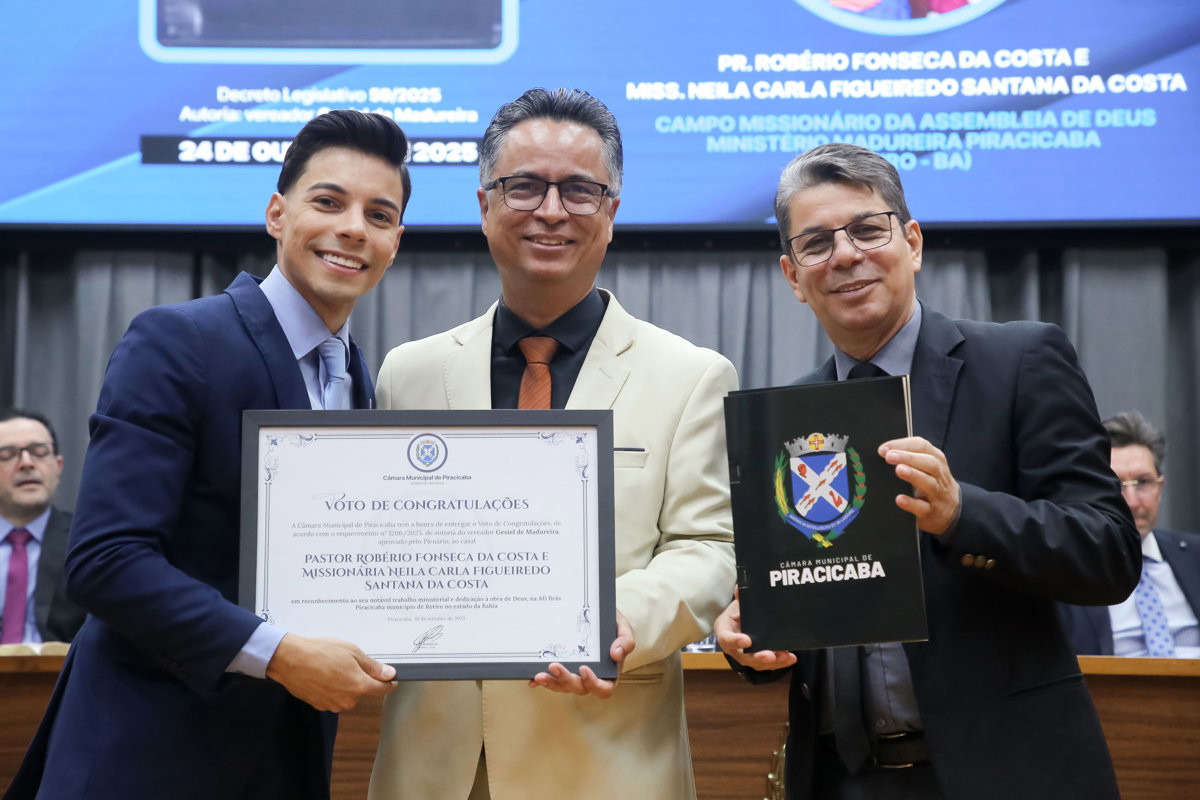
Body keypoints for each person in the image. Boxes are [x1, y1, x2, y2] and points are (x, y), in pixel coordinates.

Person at [5, 109, 411, 800]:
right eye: (328, 202)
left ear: (395, 242)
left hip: (284, 760)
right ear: (276, 214)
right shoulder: (179, 340)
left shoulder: (358, 377)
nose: (353, 228)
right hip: (147, 758)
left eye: (380, 215)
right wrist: (279, 654)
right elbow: (106, 560)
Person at [714, 142, 1140, 799]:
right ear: (793, 277)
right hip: (841, 780)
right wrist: (756, 636)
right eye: (817, 243)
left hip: (1004, 775)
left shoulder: (1020, 360)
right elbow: (804, 620)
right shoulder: (786, 420)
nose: (845, 255)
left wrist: (962, 514)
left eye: (867, 229)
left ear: (911, 242)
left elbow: (1109, 552)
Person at [367, 88, 738, 800]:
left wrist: (619, 618)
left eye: (578, 190)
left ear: (611, 212)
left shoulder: (691, 376)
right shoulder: (408, 373)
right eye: (525, 186)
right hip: (433, 770)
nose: (550, 210)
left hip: (605, 764)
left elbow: (709, 548)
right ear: (484, 205)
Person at [1061, 411, 1200, 657]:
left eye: (1143, 482)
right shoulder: (1070, 571)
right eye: (1116, 485)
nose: (1132, 502)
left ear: (1160, 487)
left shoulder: (1195, 557)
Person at [0, 409, 85, 645]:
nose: (26, 464)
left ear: (58, 466)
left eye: (39, 452)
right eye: (7, 455)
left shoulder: (86, 542)